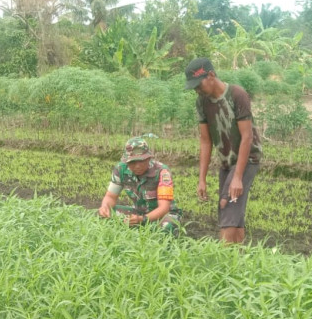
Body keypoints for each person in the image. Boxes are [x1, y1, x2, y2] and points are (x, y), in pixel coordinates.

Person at [185, 57, 262, 244]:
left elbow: (247, 137)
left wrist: (237, 177)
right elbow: (205, 141)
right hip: (227, 162)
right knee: (233, 213)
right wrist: (201, 179)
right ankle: (239, 259)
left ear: (211, 75)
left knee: (226, 205)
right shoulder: (201, 102)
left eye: (198, 85)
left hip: (247, 158)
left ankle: (224, 261)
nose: (197, 90)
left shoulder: (237, 94)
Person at [98, 136, 182, 234]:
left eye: (141, 161)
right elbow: (110, 197)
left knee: (166, 227)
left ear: (148, 158)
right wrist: (105, 208)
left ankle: (147, 230)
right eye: (132, 162)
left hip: (164, 215)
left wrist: (143, 219)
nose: (137, 166)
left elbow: (164, 208)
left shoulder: (162, 172)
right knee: (107, 213)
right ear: (126, 161)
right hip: (139, 213)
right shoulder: (120, 169)